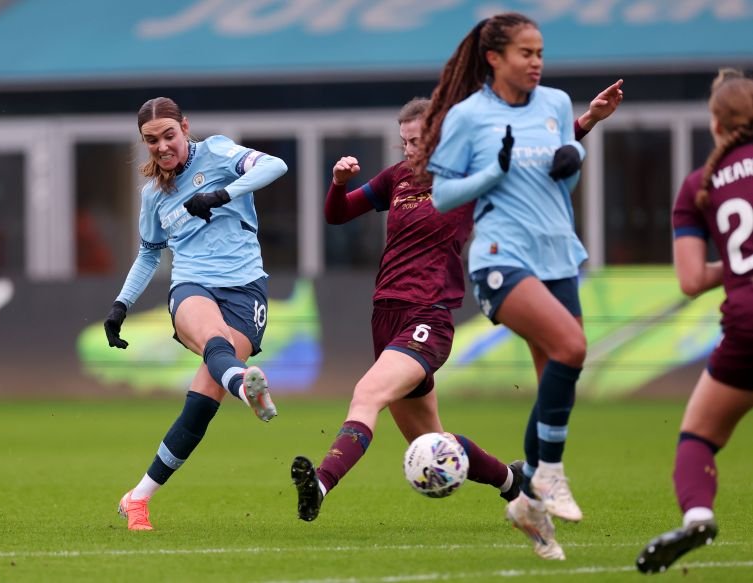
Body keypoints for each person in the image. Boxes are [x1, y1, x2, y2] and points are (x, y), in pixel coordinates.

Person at [291, 75, 621, 525]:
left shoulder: (469, 175)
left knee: (367, 393)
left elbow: (534, 156)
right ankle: (515, 481)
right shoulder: (397, 179)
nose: (410, 149)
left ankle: (321, 483)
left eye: (418, 140)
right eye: (404, 141)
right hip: (384, 314)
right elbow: (338, 214)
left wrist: (587, 121)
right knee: (432, 445)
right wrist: (337, 182)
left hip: (429, 315)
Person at [416, 13, 620, 560]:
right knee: (573, 348)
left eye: (540, 53)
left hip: (558, 254)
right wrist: (492, 173)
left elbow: (563, 179)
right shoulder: (468, 116)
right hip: (501, 256)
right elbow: (441, 196)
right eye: (525, 53)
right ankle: (549, 474)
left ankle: (528, 501)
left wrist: (572, 157)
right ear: (494, 58)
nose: (535, 62)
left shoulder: (555, 104)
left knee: (556, 373)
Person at [103, 96, 287, 531]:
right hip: (192, 286)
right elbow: (149, 255)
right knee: (215, 342)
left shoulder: (219, 152)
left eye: (169, 135)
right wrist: (120, 305)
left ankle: (138, 497)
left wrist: (222, 193)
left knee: (200, 407)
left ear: (185, 127)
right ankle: (246, 385)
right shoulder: (152, 196)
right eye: (152, 141)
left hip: (246, 289)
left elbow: (275, 166)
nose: (163, 146)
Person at [636, 69, 753, 574]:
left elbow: (688, 281)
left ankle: (699, 515)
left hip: (746, 325)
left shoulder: (697, 187)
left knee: (699, 435)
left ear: (714, 122)